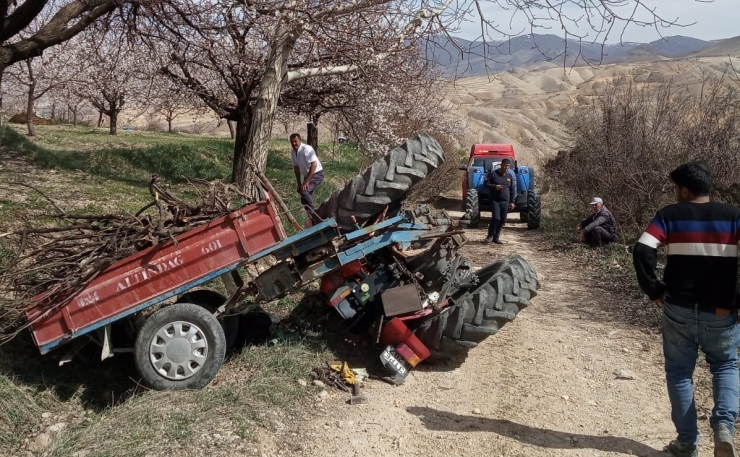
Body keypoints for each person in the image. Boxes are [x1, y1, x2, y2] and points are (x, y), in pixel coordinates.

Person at [633, 160, 740, 457]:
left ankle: (687, 443)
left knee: (679, 374)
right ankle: (723, 427)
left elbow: (642, 249)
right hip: (721, 312)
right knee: (726, 365)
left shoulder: (669, 215)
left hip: (677, 307)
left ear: (683, 190)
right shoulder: (733, 216)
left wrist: (653, 288)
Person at [290, 133, 324, 218]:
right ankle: (311, 217)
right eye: (292, 142)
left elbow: (314, 165)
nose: (294, 143)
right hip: (308, 175)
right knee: (304, 198)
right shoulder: (293, 152)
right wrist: (299, 183)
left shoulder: (307, 149)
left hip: (317, 174)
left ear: (300, 140)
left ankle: (315, 216)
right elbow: (296, 168)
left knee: (305, 192)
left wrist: (307, 181)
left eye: (295, 141)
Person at [484, 158, 515, 244]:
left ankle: (496, 237)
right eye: (505, 165)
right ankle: (490, 235)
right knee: (496, 218)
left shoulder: (509, 176)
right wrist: (495, 187)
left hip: (506, 201)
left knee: (503, 220)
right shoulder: (493, 174)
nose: (506, 167)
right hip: (495, 200)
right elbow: (485, 184)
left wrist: (512, 202)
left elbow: (512, 189)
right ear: (501, 165)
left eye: (508, 166)